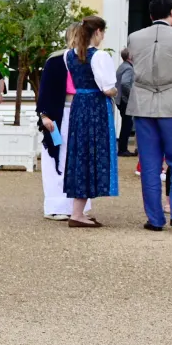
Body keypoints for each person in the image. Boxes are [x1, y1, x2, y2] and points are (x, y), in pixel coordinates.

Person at [127, 0, 172, 231]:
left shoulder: (134, 37)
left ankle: (155, 219)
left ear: (150, 15)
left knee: (149, 163)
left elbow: (133, 64)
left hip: (144, 104)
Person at [61, 16, 119, 227]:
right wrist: (115, 90)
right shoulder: (100, 56)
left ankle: (77, 211)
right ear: (97, 32)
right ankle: (77, 214)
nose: (103, 36)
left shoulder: (68, 55)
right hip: (95, 107)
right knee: (91, 154)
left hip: (79, 105)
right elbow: (107, 88)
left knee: (80, 154)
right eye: (103, 32)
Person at [35, 33, 78, 222]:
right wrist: (44, 115)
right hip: (58, 116)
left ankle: (75, 206)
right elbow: (45, 91)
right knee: (56, 157)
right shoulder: (56, 60)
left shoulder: (88, 60)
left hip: (79, 113)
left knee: (75, 157)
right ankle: (55, 205)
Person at [115, 48, 136, 157]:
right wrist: (131, 96)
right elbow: (125, 83)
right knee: (127, 124)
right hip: (124, 100)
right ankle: (123, 150)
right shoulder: (129, 69)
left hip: (119, 99)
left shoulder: (122, 66)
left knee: (126, 123)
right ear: (130, 56)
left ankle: (122, 148)